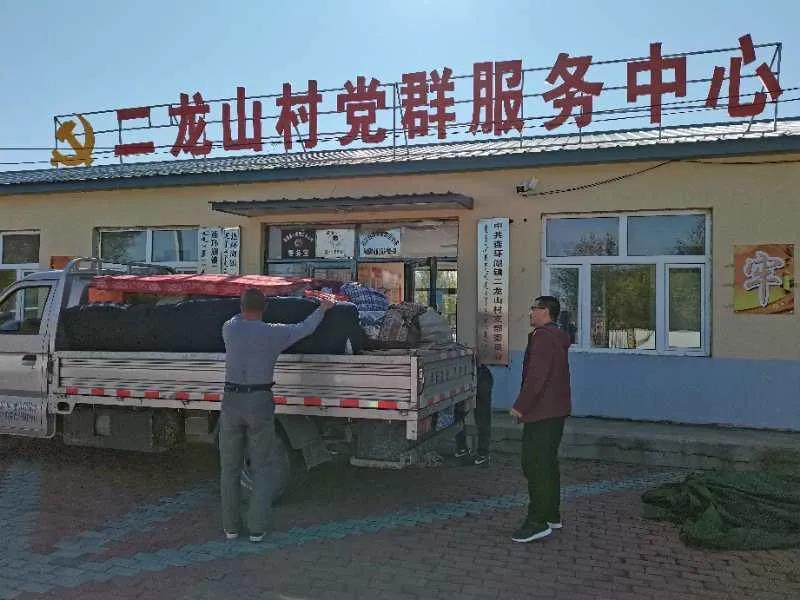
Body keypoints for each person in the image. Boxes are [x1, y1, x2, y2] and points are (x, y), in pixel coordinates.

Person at [220, 289, 333, 542]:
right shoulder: (274, 333)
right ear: (266, 309)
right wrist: (323, 308)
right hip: (259, 401)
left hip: (231, 401)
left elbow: (237, 318)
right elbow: (306, 328)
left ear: (241, 306)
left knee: (229, 467)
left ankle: (231, 528)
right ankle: (256, 529)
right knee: (263, 466)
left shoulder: (229, 328)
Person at [510, 296, 571, 543]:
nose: (530, 313)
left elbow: (537, 376)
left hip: (542, 412)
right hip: (555, 411)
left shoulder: (543, 337)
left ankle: (537, 522)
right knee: (547, 464)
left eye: (533, 309)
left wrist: (520, 406)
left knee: (535, 465)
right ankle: (551, 514)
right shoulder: (557, 335)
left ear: (545, 311)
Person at [454, 360, 493, 465]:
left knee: (462, 414)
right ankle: (480, 453)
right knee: (480, 416)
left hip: (471, 374)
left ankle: (471, 450)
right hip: (472, 373)